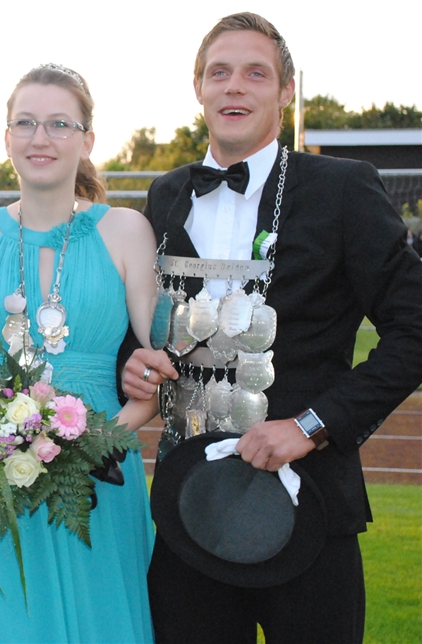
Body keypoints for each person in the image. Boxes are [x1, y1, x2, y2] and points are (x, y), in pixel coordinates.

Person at [120, 13, 422, 644]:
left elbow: (414, 325)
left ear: (286, 91)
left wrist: (312, 426)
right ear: (197, 88)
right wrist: (134, 360)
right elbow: (146, 324)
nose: (235, 87)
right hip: (187, 508)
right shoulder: (167, 194)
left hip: (308, 506)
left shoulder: (342, 189)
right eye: (219, 72)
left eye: (256, 73)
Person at [0, 64, 158, 643]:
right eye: (25, 123)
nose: (39, 138)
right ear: (6, 137)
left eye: (58, 124)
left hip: (102, 483)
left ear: (88, 140)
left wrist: (100, 442)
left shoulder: (127, 231)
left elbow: (158, 365)